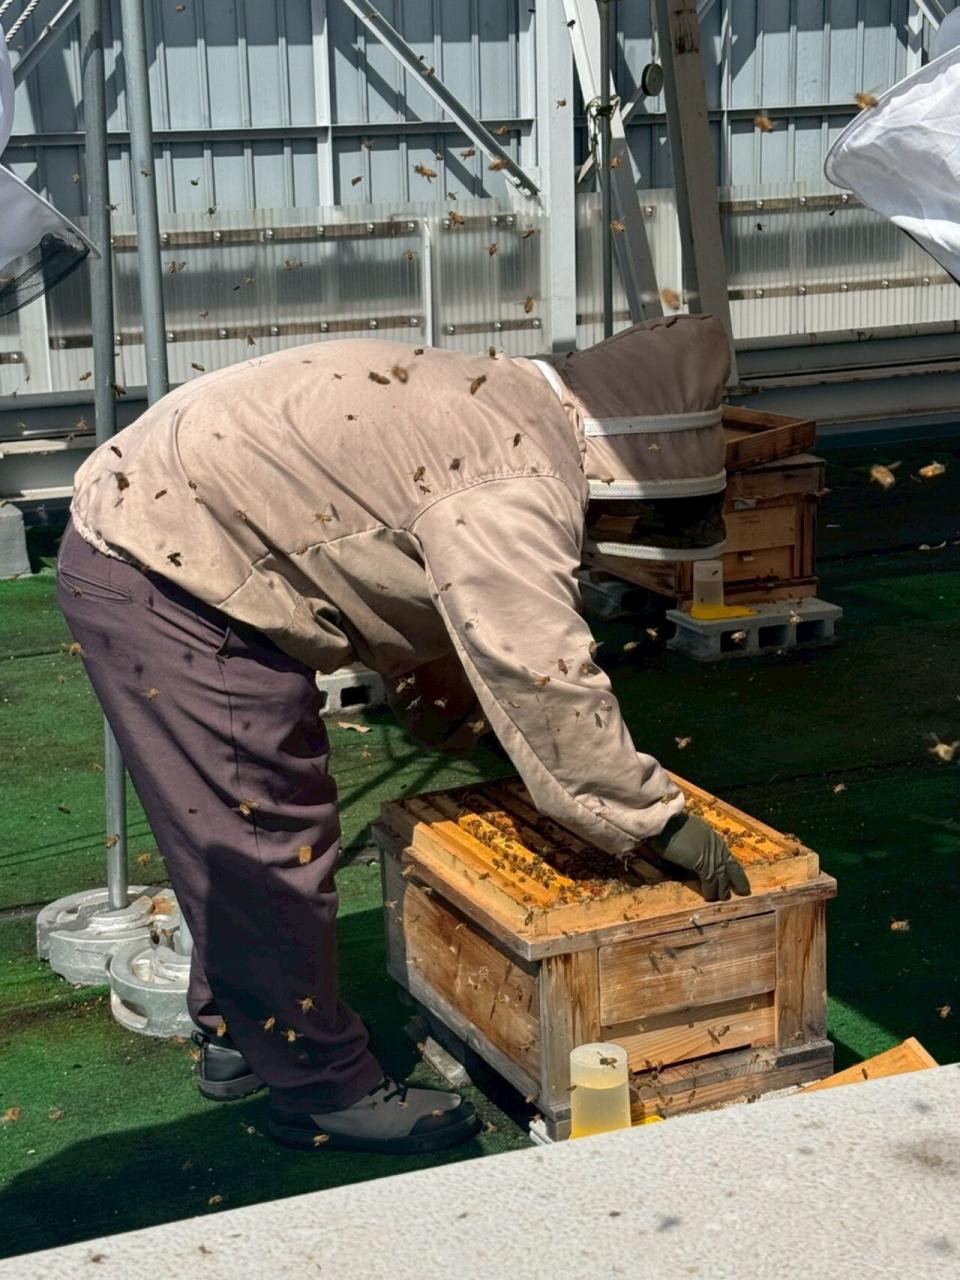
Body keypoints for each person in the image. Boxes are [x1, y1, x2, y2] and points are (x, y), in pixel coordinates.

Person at [58, 313, 749, 1154]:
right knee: (265, 837)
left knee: (229, 833)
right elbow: (541, 671)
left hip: (161, 528)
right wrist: (654, 822)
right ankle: (323, 1092)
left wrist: (465, 723)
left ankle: (240, 1035)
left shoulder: (512, 400)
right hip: (172, 570)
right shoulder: (514, 480)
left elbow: (413, 582)